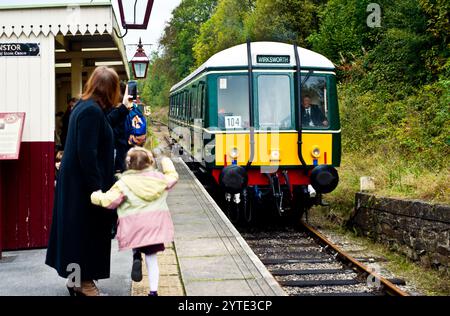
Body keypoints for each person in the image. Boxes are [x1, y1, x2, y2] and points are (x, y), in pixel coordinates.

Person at [45, 66, 121, 296]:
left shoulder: (84, 107)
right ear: (109, 89)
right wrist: (97, 190)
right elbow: (87, 153)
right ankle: (84, 283)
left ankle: (76, 281)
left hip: (78, 185)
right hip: (85, 188)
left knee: (77, 234)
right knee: (84, 235)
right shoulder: (91, 112)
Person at [90, 147, 178, 297]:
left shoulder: (123, 183)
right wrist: (166, 161)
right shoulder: (159, 179)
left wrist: (94, 195)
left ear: (128, 164)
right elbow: (173, 177)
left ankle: (136, 254)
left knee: (136, 237)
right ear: (150, 162)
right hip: (154, 226)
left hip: (134, 227)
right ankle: (153, 292)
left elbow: (108, 201)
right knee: (152, 258)